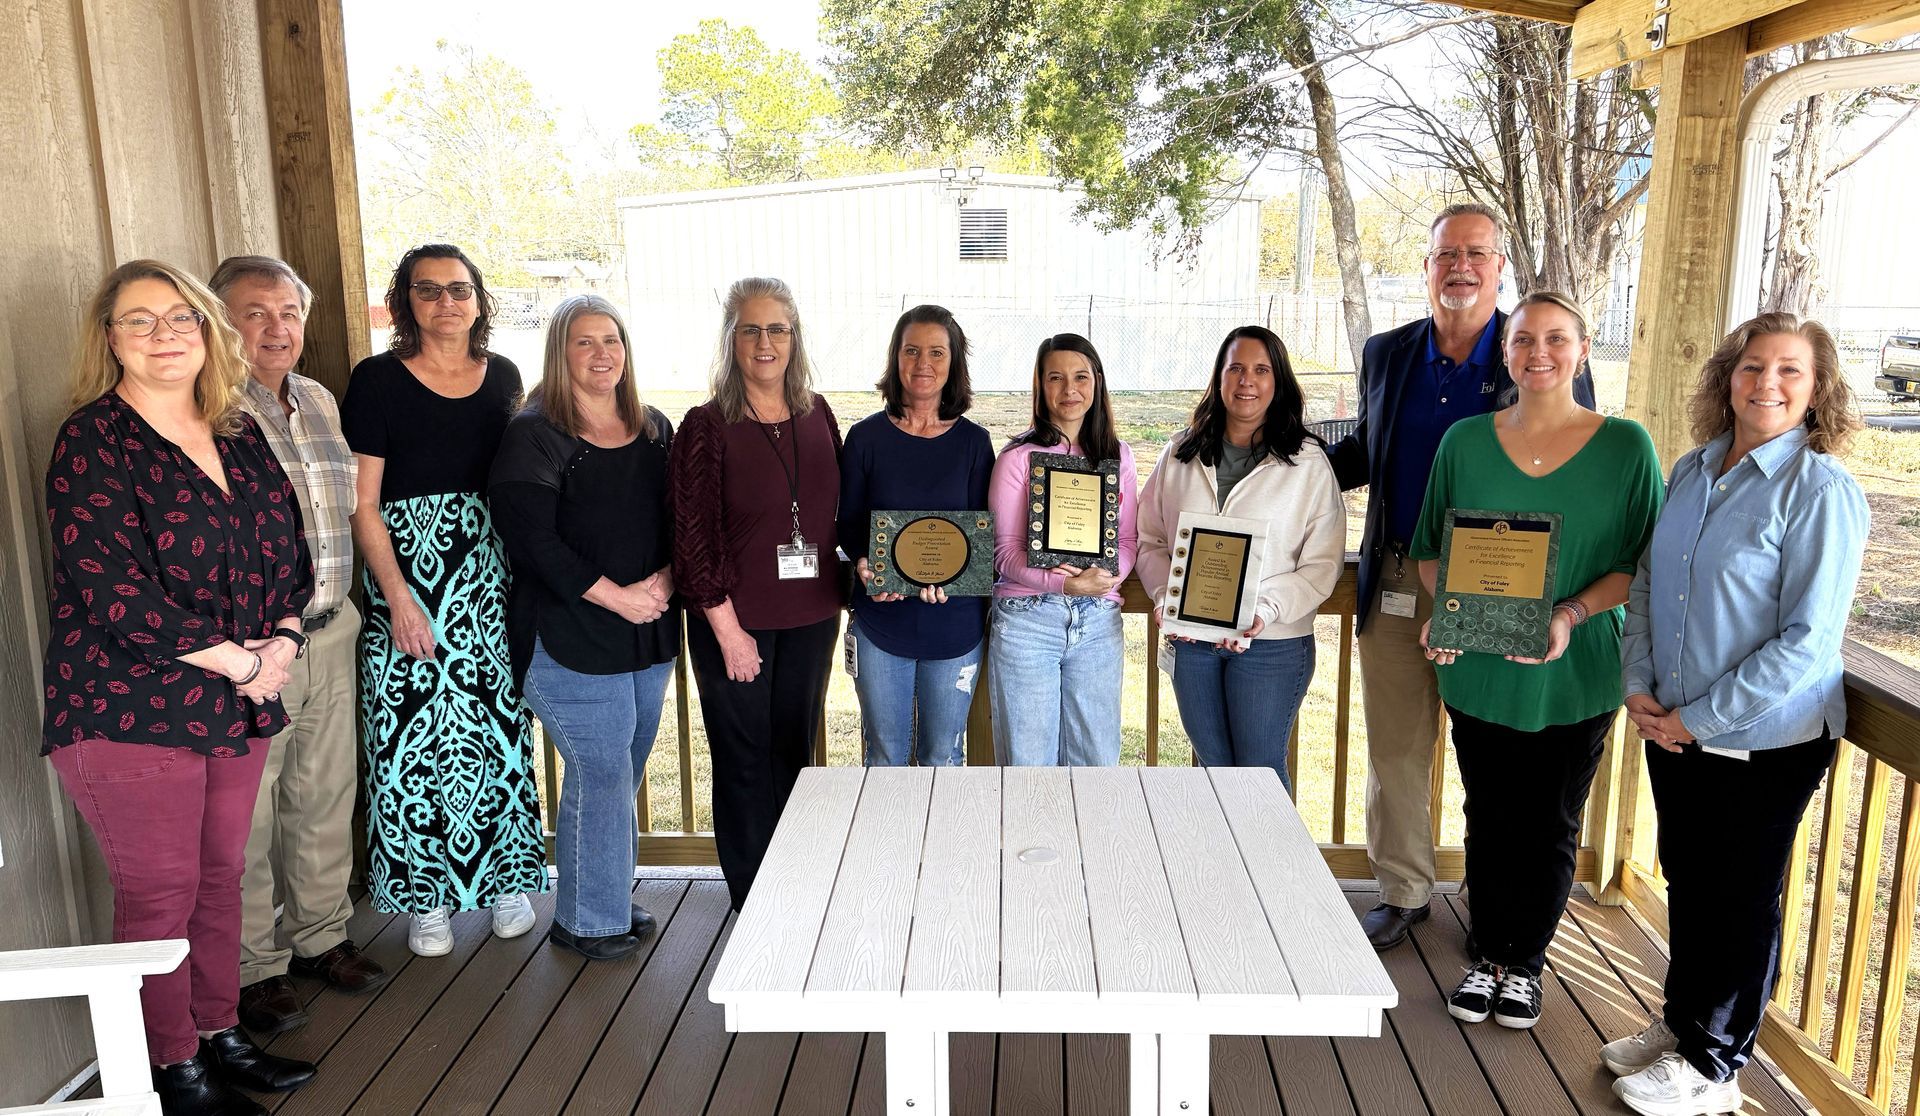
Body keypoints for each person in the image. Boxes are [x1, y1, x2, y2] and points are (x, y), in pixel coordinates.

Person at [42, 260, 318, 1115]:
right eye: (139, 320)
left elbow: (290, 549)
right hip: (127, 706)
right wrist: (242, 662)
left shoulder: (237, 430)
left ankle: (218, 1031)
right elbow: (110, 586)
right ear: (110, 338)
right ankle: (172, 1066)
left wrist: (283, 637)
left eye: (180, 317)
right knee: (159, 894)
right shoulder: (93, 439)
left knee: (220, 877)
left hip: (237, 698)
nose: (163, 334)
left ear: (206, 330)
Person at [1606, 314, 1868, 1116]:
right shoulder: (1694, 468)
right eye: (1753, 367)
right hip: (1672, 724)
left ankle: (1714, 1065)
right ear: (1728, 377)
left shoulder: (1820, 490)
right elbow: (1649, 583)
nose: (1767, 384)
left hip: (1761, 740)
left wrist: (1700, 719)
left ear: (1817, 390)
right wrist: (1639, 680)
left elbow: (1807, 643)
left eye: (1790, 371)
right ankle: (1683, 1024)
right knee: (1690, 879)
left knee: (1740, 898)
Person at [1325, 202, 1598, 951]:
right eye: (1447, 254)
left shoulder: (1532, 350)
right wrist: (1272, 457)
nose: (1461, 267)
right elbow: (1365, 450)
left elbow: (1575, 465)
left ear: (1499, 266)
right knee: (1396, 747)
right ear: (1426, 267)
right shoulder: (1387, 353)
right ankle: (1404, 890)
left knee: (1496, 752)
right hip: (1398, 574)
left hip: (1499, 585)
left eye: (1477, 253)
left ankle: (1497, 901)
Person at [1412, 292, 1662, 1031]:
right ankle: (1487, 953)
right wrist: (1451, 614)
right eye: (1523, 339)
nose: (1539, 353)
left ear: (1582, 350)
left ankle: (1524, 964)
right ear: (1505, 351)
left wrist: (1569, 612)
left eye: (1557, 339)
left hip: (1574, 670)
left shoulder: (1625, 447)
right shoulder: (1463, 441)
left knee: (1551, 822)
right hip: (1480, 669)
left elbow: (1638, 564)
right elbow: (1430, 552)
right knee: (1488, 816)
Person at [341, 244, 546, 957]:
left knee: (497, 732)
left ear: (479, 300)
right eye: (427, 290)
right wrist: (397, 598)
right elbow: (364, 504)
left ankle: (507, 881)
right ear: (405, 302)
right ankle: (425, 899)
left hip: (489, 579)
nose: (445, 302)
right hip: (408, 577)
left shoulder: (506, 376)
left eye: (459, 289)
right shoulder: (376, 380)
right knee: (406, 740)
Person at [210, 256, 388, 1038]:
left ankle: (320, 935)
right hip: (254, 648)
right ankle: (254, 968)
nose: (277, 328)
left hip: (332, 623)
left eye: (289, 312)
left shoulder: (316, 399)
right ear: (219, 322)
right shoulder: (210, 408)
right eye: (255, 312)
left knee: (323, 793)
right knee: (248, 813)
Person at [490, 296, 678, 961]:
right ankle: (588, 921)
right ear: (560, 353)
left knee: (622, 769)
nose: (602, 354)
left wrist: (665, 581)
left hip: (647, 627)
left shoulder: (653, 427)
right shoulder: (536, 434)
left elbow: (679, 518)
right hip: (566, 632)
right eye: (584, 342)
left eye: (612, 340)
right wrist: (617, 597)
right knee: (600, 769)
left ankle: (602, 893)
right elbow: (533, 542)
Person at [669, 278, 843, 910]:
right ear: (731, 340)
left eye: (777, 329)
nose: (765, 342)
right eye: (751, 329)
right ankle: (753, 900)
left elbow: (837, 512)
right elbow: (692, 537)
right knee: (743, 760)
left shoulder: (817, 413)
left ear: (794, 338)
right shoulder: (707, 425)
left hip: (811, 618)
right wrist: (727, 630)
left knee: (794, 755)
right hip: (735, 625)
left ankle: (793, 885)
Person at [1136, 326, 1345, 793]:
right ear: (1219, 377)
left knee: (1258, 775)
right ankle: (1219, 849)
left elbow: (1323, 564)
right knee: (1213, 773)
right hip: (1192, 642)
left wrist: (1266, 608)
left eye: (1261, 370)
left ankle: (1274, 849)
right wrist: (1166, 595)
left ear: (1278, 381)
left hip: (1270, 644)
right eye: (1235, 368)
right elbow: (1149, 538)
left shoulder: (1307, 462)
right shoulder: (1180, 452)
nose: (1246, 380)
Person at [837, 305, 995, 766]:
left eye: (936, 352)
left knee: (943, 757)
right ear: (895, 357)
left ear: (953, 361)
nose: (923, 363)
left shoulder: (974, 443)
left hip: (954, 625)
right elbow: (848, 522)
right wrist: (865, 562)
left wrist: (955, 578)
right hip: (882, 622)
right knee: (884, 756)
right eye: (911, 351)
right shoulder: (864, 438)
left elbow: (981, 534)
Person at [985, 333, 1139, 765]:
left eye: (1080, 377)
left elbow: (1127, 541)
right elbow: (1003, 552)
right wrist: (1064, 584)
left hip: (1098, 622)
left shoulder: (1119, 456)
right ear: (1040, 385)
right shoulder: (1017, 458)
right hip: (1028, 620)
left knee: (1096, 761)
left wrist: (1107, 578)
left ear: (1097, 382)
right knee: (1028, 763)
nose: (1069, 389)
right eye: (1056, 377)